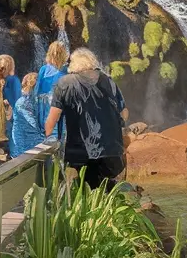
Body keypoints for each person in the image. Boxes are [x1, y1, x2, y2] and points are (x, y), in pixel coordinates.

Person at [44, 48, 127, 190]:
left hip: (79, 151)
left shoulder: (64, 83)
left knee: (81, 190)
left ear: (73, 64)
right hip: (110, 149)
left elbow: (53, 117)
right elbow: (124, 111)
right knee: (103, 189)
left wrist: (47, 135)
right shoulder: (108, 80)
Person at [10, 72, 47, 155]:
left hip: (36, 138)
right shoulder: (23, 103)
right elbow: (34, 123)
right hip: (25, 141)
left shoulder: (37, 100)